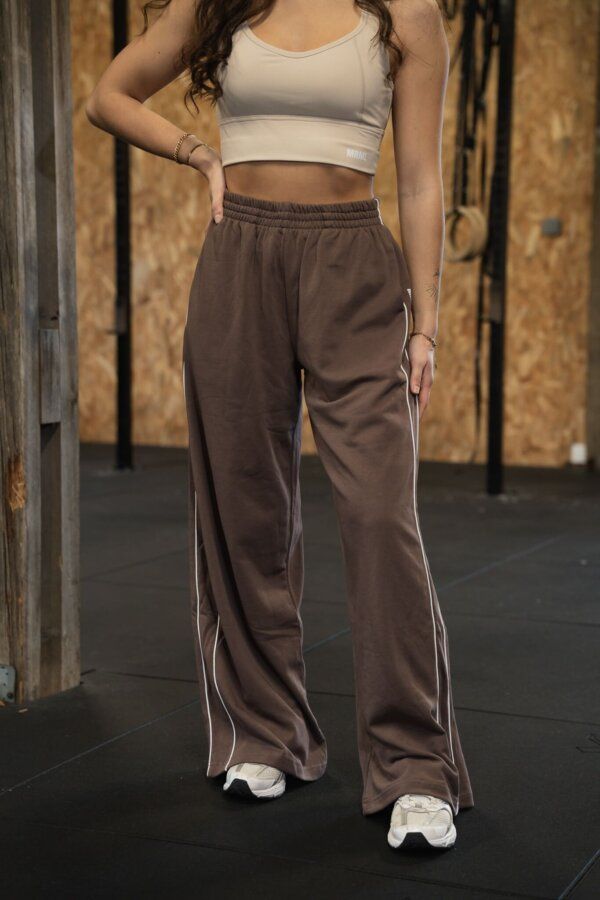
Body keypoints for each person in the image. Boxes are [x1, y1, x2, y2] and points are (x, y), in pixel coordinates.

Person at [86, 0, 474, 850]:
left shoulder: (407, 14)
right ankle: (265, 735)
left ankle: (415, 766)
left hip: (354, 262)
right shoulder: (218, 5)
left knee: (381, 515)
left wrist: (426, 325)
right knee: (245, 509)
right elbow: (107, 95)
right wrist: (197, 153)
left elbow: (418, 179)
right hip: (240, 256)